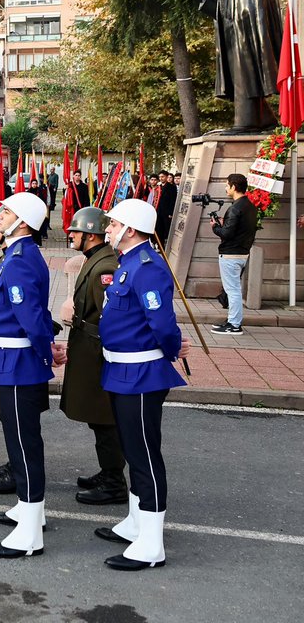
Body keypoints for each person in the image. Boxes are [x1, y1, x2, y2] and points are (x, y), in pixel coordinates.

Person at [95, 199, 188, 570]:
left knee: (145, 455)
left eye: (114, 224)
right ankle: (136, 522)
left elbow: (163, 326)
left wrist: (171, 348)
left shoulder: (147, 267)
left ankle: (151, 543)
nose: (108, 229)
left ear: (130, 230)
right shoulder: (129, 264)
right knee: (133, 451)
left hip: (142, 373)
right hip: (122, 371)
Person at [0, 191, 55, 560]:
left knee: (24, 445)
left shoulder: (19, 261)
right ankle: (30, 513)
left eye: (6, 212)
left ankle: (29, 533)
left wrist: (47, 352)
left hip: (18, 362)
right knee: (20, 440)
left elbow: (30, 319)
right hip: (11, 359)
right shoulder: (17, 255)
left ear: (23, 222)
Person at [57, 206, 127, 506]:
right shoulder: (95, 260)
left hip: (97, 351)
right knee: (98, 417)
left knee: (104, 417)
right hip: (87, 344)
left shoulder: (103, 268)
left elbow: (109, 319)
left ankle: (114, 481)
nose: (70, 234)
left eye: (76, 230)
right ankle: (108, 471)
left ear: (90, 235)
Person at [188, 0, 282, 130]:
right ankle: (263, 119)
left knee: (247, 76)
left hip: (250, 32)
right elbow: (225, 13)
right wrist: (204, 0)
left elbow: (263, 3)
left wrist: (257, 31)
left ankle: (248, 122)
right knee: (239, 79)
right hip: (231, 35)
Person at [209, 173, 257, 335]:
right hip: (242, 252)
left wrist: (215, 227)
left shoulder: (235, 207)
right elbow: (238, 229)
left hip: (231, 254)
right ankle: (232, 321)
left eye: (227, 184)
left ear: (234, 187)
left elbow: (227, 234)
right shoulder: (249, 206)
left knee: (233, 290)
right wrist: (225, 224)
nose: (225, 187)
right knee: (233, 289)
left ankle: (234, 325)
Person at [154, 171, 177, 247]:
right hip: (158, 211)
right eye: (160, 177)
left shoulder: (172, 187)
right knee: (159, 229)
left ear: (167, 177)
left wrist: (170, 212)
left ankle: (168, 246)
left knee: (167, 229)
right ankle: (160, 246)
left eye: (162, 177)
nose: (161, 178)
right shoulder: (158, 187)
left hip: (167, 212)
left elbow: (173, 200)